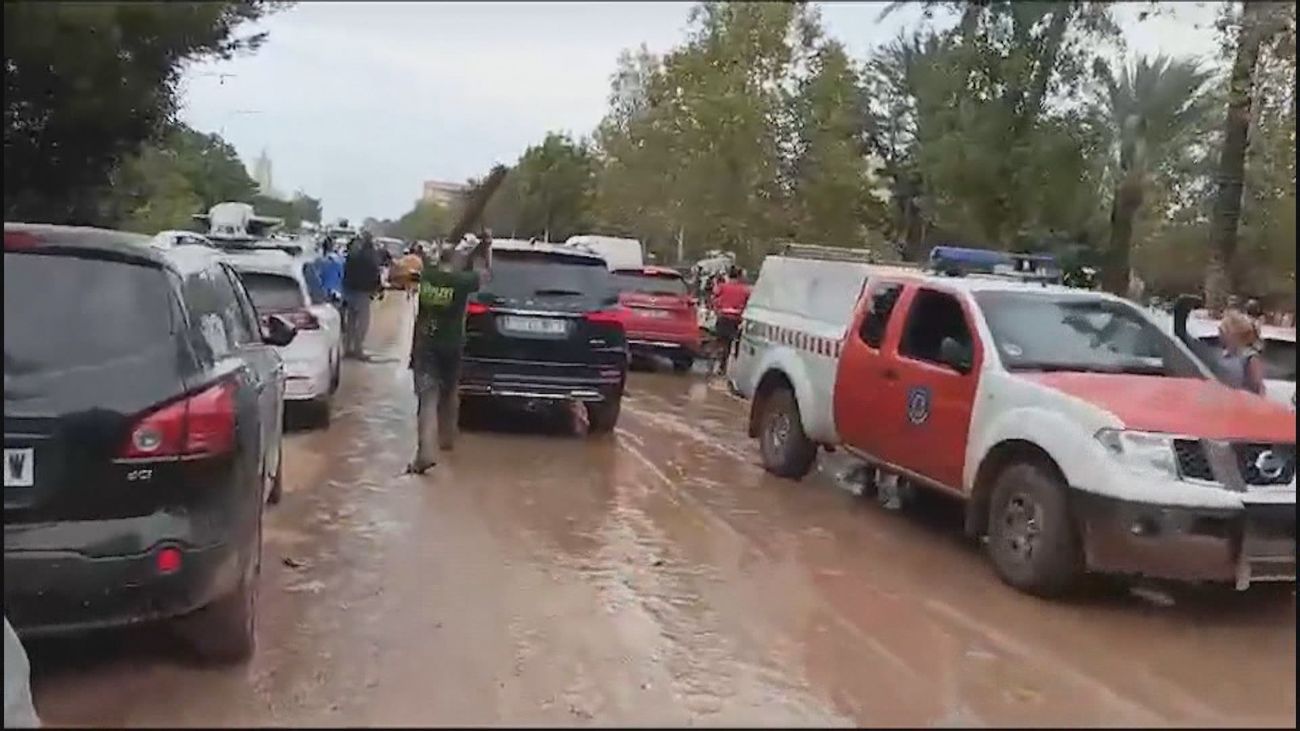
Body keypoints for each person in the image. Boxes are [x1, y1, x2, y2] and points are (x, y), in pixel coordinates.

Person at [406, 230, 494, 474]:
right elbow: (486, 276)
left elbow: (426, 261)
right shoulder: (461, 282)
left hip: (426, 345)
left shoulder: (428, 277)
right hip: (452, 345)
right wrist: (485, 250)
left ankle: (425, 453)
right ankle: (447, 438)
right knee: (450, 391)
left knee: (427, 399)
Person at [341, 232, 383, 359]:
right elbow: (375, 274)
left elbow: (345, 272)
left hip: (349, 291)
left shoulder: (351, 256)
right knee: (363, 323)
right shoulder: (371, 258)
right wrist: (378, 289)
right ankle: (358, 349)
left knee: (351, 322)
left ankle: (348, 348)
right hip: (363, 293)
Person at [711, 265, 752, 376]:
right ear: (739, 276)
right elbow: (749, 303)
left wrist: (716, 309)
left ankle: (716, 364)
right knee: (730, 344)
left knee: (720, 341)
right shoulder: (745, 289)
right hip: (735, 320)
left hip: (723, 317)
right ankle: (726, 368)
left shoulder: (722, 287)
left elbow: (713, 296)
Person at [1217, 310, 1266, 396]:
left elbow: (1259, 387)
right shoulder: (1226, 354)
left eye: (1223, 331)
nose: (1219, 334)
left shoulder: (1250, 357)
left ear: (1233, 335)